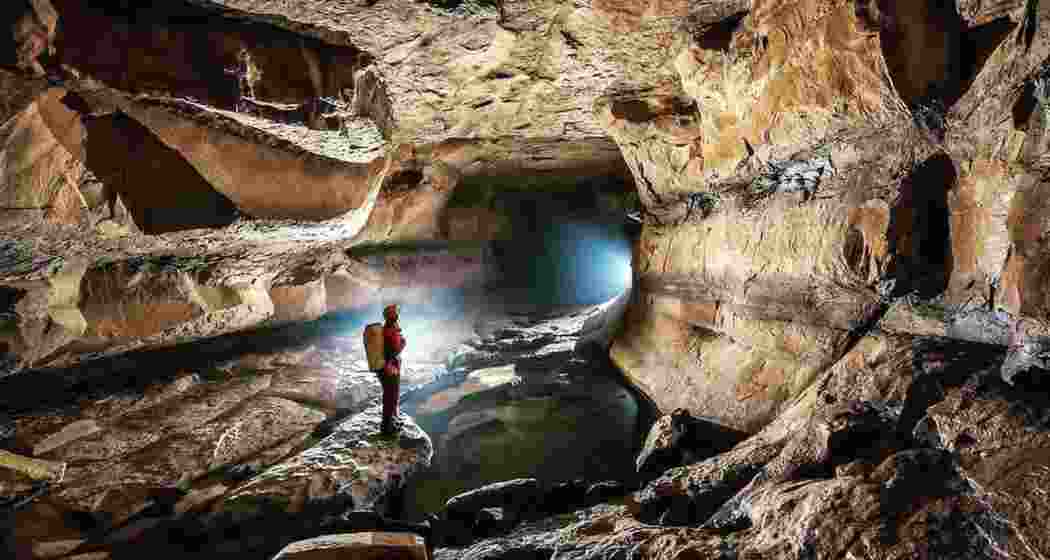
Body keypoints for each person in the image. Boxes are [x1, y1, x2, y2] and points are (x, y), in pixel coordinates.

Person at [379, 304, 406, 436]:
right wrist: (403, 344)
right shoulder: (390, 330)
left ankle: (392, 422)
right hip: (390, 367)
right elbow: (392, 350)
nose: (397, 315)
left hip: (388, 366)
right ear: (392, 316)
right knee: (391, 397)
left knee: (390, 396)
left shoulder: (388, 329)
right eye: (395, 313)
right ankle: (387, 427)